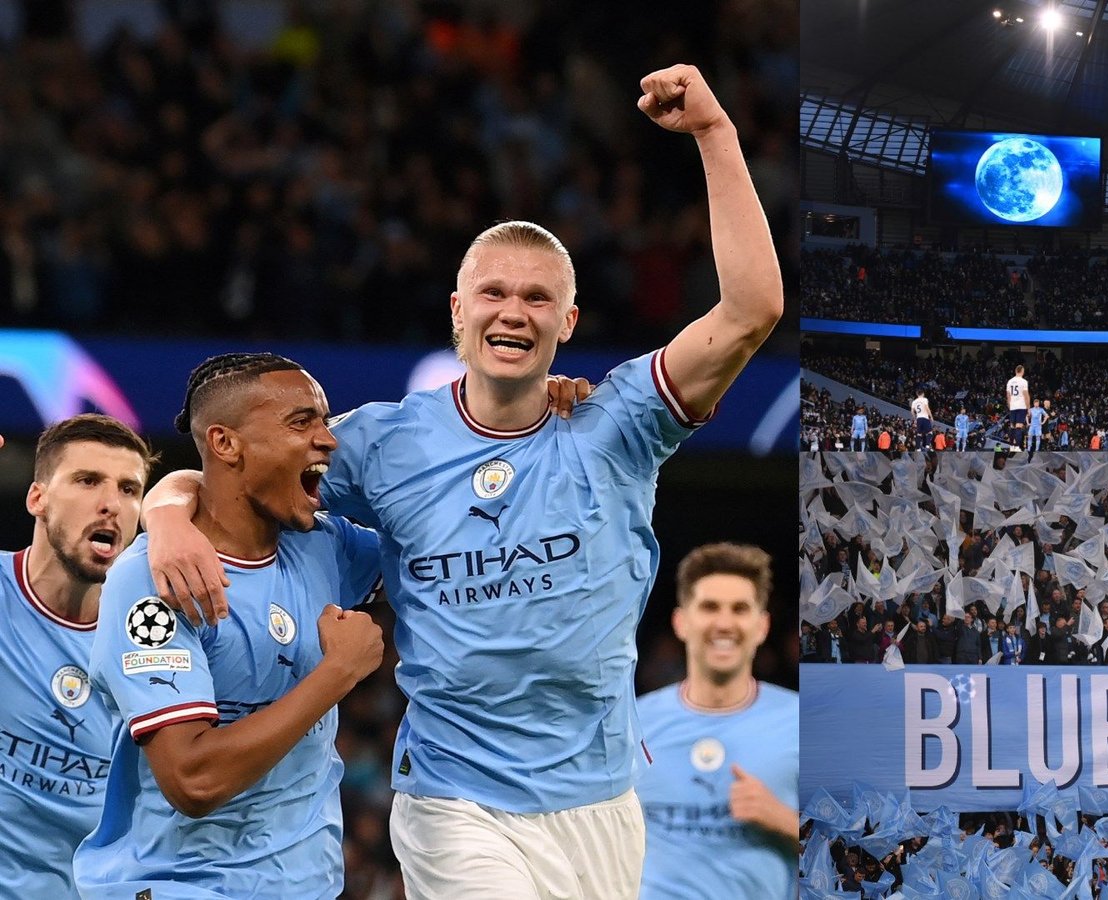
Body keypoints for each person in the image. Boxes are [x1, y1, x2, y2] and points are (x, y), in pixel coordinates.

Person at [142, 64, 783, 897]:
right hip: (454, 796)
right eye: (493, 293)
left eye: (537, 297)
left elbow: (752, 309)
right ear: (456, 311)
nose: (512, 311)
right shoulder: (381, 442)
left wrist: (715, 135)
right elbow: (236, 472)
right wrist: (165, 511)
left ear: (569, 321)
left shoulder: (619, 422)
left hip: (600, 799)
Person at [75, 354, 385, 899]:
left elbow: (444, 542)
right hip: (185, 886)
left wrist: (543, 412)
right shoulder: (153, 582)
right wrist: (336, 674)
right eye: (301, 422)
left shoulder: (323, 545)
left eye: (324, 420)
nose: (328, 439)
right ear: (225, 443)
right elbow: (194, 780)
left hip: (310, 888)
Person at [0, 415, 154, 897]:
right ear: (37, 498)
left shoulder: (157, 639)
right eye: (87, 481)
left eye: (130, 489)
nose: (111, 504)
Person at [637, 543, 797, 900]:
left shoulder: (803, 723)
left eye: (739, 609)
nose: (724, 623)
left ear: (762, 625)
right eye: (710, 607)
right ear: (681, 621)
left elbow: (860, 848)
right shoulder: (632, 725)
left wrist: (785, 820)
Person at [1005, 365, 1030, 448]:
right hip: (1021, 406)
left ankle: (1011, 445)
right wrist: (1028, 408)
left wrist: (1010, 406)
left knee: (1012, 426)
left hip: (1013, 406)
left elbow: (1008, 396)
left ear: (1016, 371)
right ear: (1022, 371)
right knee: (1018, 427)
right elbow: (1026, 396)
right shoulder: (1023, 381)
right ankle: (1017, 447)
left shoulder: (1009, 381)